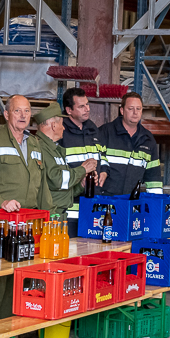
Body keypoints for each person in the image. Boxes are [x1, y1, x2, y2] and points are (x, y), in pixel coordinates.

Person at [0, 95, 53, 338]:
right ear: (6, 114)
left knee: (16, 280)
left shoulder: (35, 144)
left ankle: (6, 336)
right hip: (0, 223)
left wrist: (48, 217)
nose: (22, 115)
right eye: (17, 111)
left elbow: (42, 186)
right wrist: (1, 201)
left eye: (26, 111)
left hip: (28, 224)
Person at [33, 101, 97, 217]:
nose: (63, 128)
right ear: (53, 125)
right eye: (62, 124)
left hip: (58, 213)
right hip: (49, 214)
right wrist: (82, 169)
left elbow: (64, 188)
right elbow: (57, 180)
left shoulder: (54, 149)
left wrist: (81, 184)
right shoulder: (40, 148)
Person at [60, 87, 106, 236]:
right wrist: (80, 177)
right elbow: (55, 171)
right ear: (69, 110)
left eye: (87, 104)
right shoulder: (61, 132)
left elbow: (103, 154)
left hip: (93, 205)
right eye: (81, 106)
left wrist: (104, 171)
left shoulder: (93, 128)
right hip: (71, 210)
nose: (87, 109)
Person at [97, 92, 162, 196]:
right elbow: (96, 161)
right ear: (122, 111)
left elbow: (154, 177)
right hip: (104, 199)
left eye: (138, 109)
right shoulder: (105, 132)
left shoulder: (147, 139)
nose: (135, 112)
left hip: (131, 201)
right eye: (131, 109)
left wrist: (157, 202)